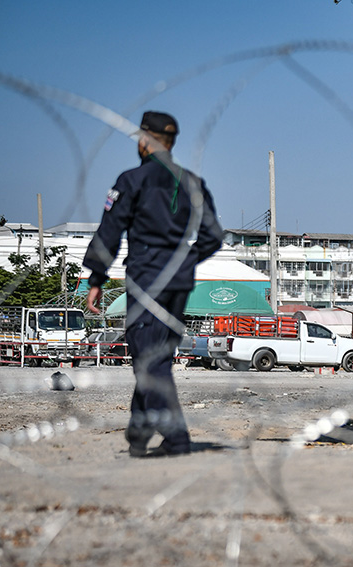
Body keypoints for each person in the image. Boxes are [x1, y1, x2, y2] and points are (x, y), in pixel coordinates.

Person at [84, 111, 223, 457]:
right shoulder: (192, 181)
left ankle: (176, 438)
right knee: (154, 355)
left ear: (144, 140)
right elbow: (213, 235)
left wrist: (97, 278)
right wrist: (186, 261)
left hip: (147, 278)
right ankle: (139, 429)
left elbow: (110, 232)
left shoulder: (132, 180)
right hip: (178, 282)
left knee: (149, 359)